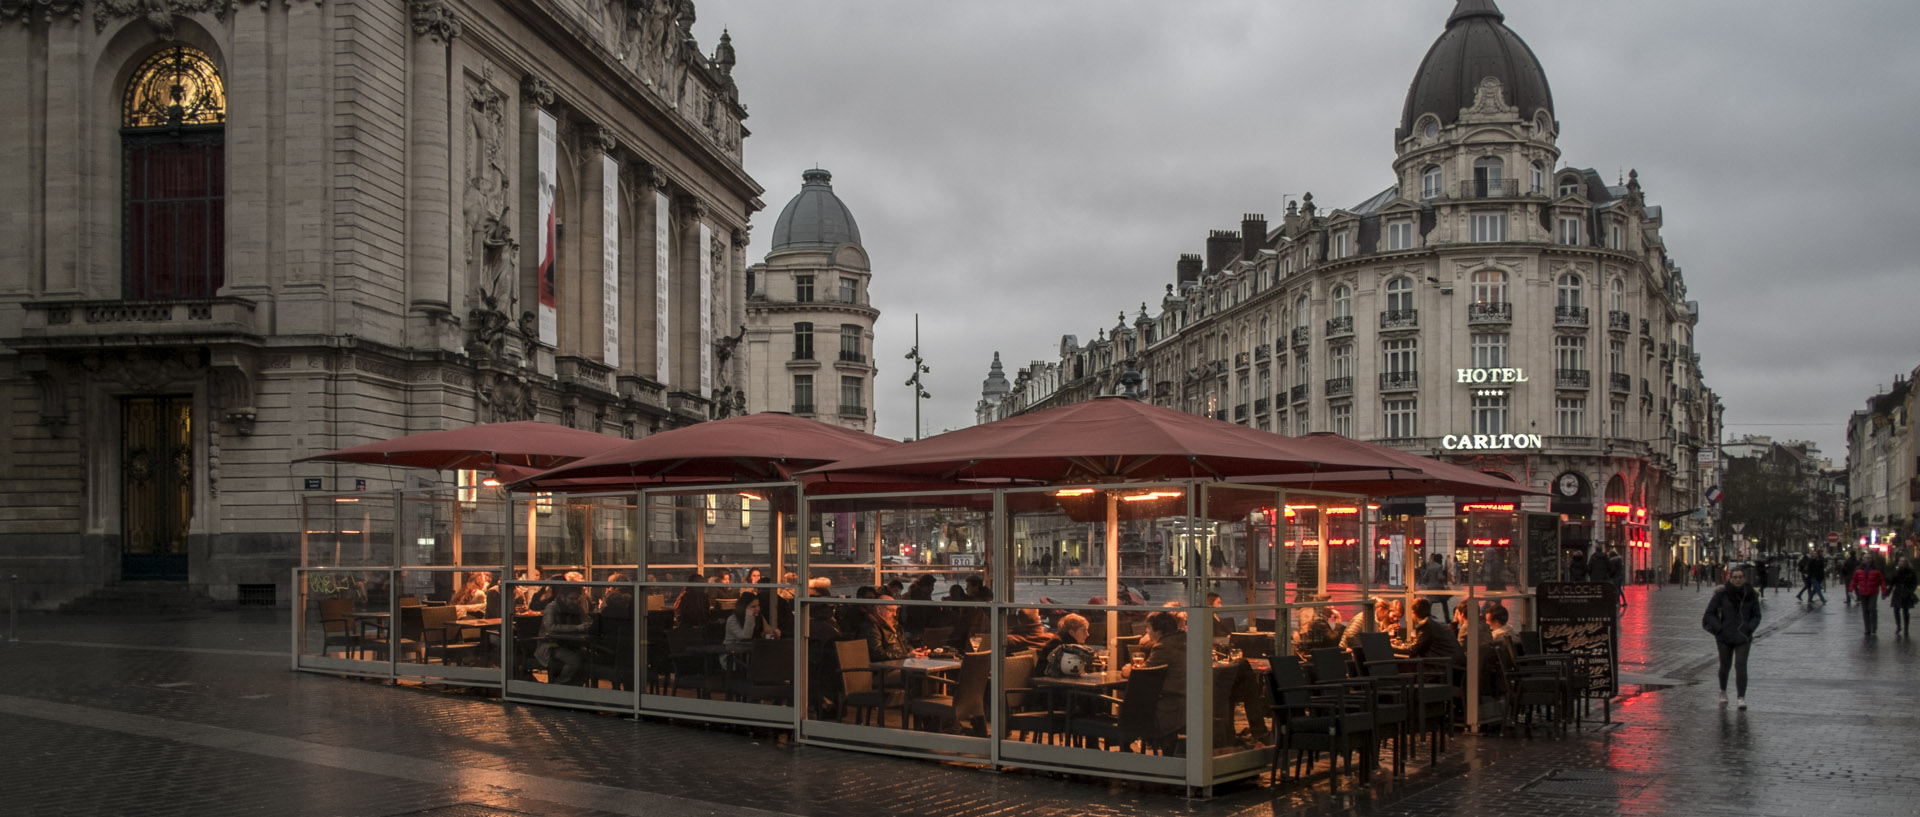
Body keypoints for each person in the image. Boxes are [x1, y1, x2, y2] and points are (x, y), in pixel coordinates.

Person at [1702, 565, 1761, 707]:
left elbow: (1756, 615)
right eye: (1735, 577)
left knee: (1741, 665)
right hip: (1725, 636)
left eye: (1740, 577)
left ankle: (1741, 697)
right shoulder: (1721, 594)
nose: (1737, 580)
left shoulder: (1751, 595)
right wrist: (1719, 628)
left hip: (1743, 636)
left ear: (1744, 579)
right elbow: (1710, 614)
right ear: (1730, 578)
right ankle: (1723, 690)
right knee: (1725, 665)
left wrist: (1749, 628)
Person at [1125, 611, 1188, 737]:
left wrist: (1128, 671)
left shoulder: (1163, 647)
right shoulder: (1184, 641)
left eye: (1149, 628)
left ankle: (1125, 743)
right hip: (1186, 704)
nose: (1147, 631)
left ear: (1158, 631)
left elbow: (1143, 676)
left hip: (1168, 708)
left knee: (1128, 705)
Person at [536, 578, 594, 685]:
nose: (575, 601)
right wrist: (578, 628)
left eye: (577, 599)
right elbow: (551, 628)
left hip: (569, 643)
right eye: (572, 598)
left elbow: (586, 619)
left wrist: (588, 623)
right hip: (550, 644)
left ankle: (575, 685)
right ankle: (559, 684)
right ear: (562, 597)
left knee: (587, 658)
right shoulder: (551, 608)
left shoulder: (576, 607)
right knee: (574, 660)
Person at [862, 594, 926, 662]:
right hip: (886, 668)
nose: (894, 614)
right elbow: (877, 654)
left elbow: (905, 644)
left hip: (902, 663)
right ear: (879, 609)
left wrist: (915, 651)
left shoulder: (896, 626)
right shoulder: (872, 627)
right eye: (891, 610)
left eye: (896, 611)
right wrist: (907, 655)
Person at [722, 592, 777, 670]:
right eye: (753, 606)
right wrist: (749, 617)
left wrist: (774, 633)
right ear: (744, 608)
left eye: (758, 605)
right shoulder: (733, 619)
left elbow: (767, 632)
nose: (757, 608)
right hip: (735, 656)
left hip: (753, 652)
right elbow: (745, 637)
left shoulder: (759, 617)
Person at [1399, 598, 1457, 663]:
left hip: (1445, 667)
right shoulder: (1435, 622)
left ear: (1413, 612)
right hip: (1452, 664)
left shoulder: (1426, 625)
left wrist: (1390, 647)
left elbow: (1412, 651)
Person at [1850, 555, 1888, 637]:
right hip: (1863, 592)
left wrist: (1884, 591)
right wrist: (1851, 588)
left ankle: (1874, 626)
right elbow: (1854, 579)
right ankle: (1867, 628)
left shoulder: (1876, 569)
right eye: (1865, 558)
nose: (1867, 559)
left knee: (1872, 608)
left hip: (1873, 591)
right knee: (1865, 611)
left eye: (1869, 558)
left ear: (1871, 559)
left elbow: (1882, 581)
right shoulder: (1858, 569)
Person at [1888, 557, 1917, 636]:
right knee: (1896, 610)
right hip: (1897, 592)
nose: (1902, 563)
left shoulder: (1911, 572)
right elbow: (1892, 583)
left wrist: (1910, 591)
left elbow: (1914, 583)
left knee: (1905, 611)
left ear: (1906, 563)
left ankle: (1906, 628)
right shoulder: (1896, 571)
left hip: (1906, 593)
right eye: (1900, 561)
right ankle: (1898, 626)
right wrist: (1887, 592)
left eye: (1903, 561)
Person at [1417, 553, 1451, 617]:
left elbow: (1425, 577)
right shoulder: (1439, 566)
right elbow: (1440, 577)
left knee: (1430, 603)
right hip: (1439, 587)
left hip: (1430, 587)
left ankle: (1426, 616)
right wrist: (1445, 578)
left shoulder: (1429, 566)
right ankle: (1447, 618)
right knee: (1444, 603)